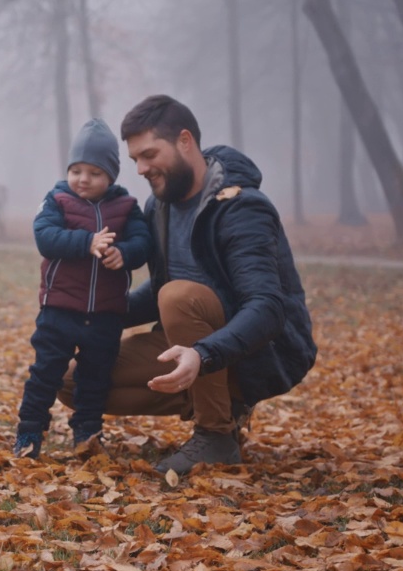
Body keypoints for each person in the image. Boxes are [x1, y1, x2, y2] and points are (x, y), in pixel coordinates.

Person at [58, 95, 315, 475]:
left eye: (149, 155)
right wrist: (91, 311)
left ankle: (215, 436)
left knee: (179, 297)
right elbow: (157, 290)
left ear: (184, 141)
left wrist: (204, 354)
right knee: (71, 382)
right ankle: (223, 407)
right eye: (135, 161)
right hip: (190, 341)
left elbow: (267, 307)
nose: (141, 169)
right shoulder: (158, 206)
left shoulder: (241, 207)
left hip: (257, 352)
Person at [14, 119, 151, 458]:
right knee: (45, 374)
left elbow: (144, 242)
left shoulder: (126, 207)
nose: (83, 179)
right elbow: (45, 238)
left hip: (105, 315)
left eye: (94, 172)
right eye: (77, 170)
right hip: (59, 310)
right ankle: (29, 433)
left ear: (111, 177)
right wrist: (86, 242)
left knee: (95, 379)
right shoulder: (57, 200)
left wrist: (125, 254)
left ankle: (87, 435)